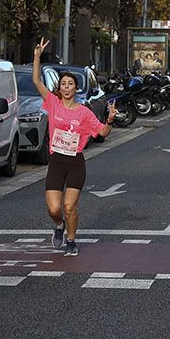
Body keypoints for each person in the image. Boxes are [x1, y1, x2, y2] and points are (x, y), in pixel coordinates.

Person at [33, 38, 114, 256]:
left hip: (75, 163)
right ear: (59, 88)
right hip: (56, 162)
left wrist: (110, 120)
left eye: (70, 84)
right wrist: (37, 57)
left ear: (76, 88)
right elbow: (37, 82)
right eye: (63, 84)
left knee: (69, 207)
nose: (67, 87)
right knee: (54, 209)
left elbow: (102, 132)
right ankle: (59, 226)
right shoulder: (53, 103)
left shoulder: (84, 112)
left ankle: (71, 240)